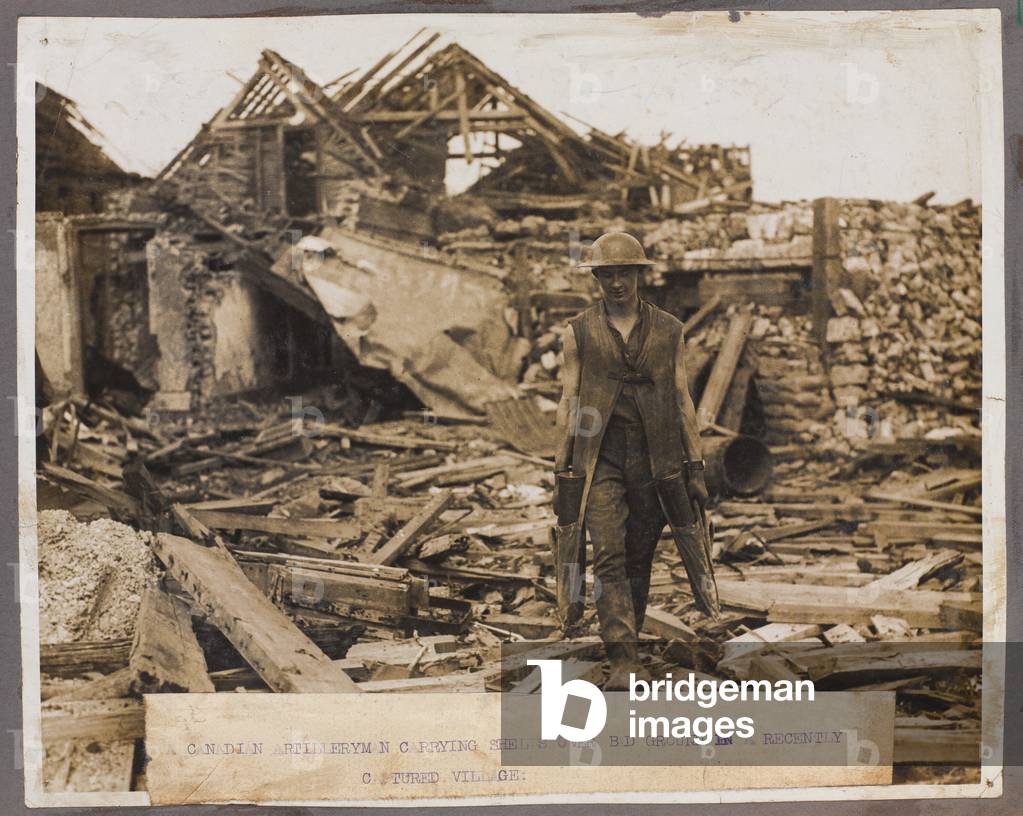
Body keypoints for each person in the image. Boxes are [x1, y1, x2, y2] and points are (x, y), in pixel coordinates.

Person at [554, 231, 719, 690]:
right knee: (607, 550)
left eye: (623, 273)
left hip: (656, 456)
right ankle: (622, 657)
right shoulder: (579, 331)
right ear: (597, 279)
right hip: (600, 456)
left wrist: (696, 465)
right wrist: (562, 465)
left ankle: (631, 640)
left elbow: (683, 398)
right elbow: (569, 399)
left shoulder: (669, 330)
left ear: (639, 274)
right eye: (606, 275)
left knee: (639, 555)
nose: (616, 283)